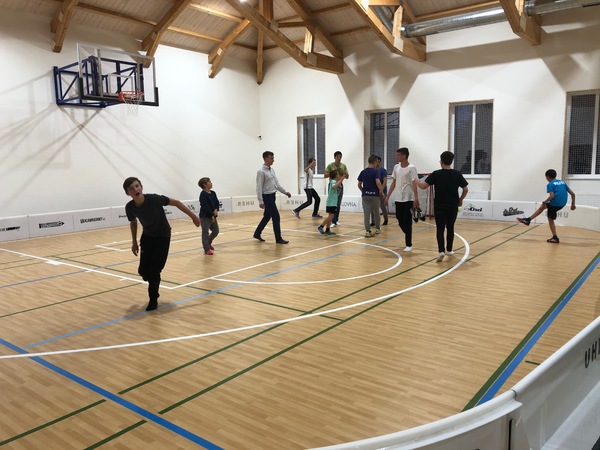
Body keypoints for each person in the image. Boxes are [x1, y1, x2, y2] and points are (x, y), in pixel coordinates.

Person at [123, 177, 200, 311]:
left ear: (141, 187)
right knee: (143, 272)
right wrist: (134, 242)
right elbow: (133, 222)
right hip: (147, 237)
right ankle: (151, 279)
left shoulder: (154, 199)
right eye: (131, 188)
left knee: (154, 271)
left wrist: (193, 216)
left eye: (137, 186)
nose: (135, 189)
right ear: (127, 193)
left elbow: (176, 202)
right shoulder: (129, 207)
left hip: (162, 236)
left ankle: (153, 300)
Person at [416, 151, 468, 262]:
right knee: (450, 227)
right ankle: (449, 250)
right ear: (451, 161)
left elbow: (423, 186)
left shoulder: (436, 174)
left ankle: (441, 251)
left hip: (439, 206)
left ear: (441, 161)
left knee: (440, 228)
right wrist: (460, 200)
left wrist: (416, 181)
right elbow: (466, 189)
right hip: (453, 206)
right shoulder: (457, 174)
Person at [516, 169, 576, 243]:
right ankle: (528, 220)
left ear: (547, 176)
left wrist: (544, 201)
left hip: (555, 204)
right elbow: (573, 194)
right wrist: (573, 204)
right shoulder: (562, 182)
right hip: (562, 204)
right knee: (543, 207)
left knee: (550, 219)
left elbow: (552, 196)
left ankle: (555, 237)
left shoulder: (550, 184)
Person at [385, 147, 420, 252]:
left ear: (404, 156)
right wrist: (388, 196)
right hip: (398, 198)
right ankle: (408, 233)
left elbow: (414, 183)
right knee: (399, 219)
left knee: (407, 220)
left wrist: (416, 198)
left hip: (408, 198)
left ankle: (408, 244)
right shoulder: (396, 167)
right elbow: (394, 182)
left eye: (398, 155)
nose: (397, 156)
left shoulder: (411, 168)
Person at [254, 151, 291, 244]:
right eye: (271, 158)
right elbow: (258, 187)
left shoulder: (272, 170)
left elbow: (276, 184)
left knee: (267, 216)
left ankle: (257, 233)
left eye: (273, 158)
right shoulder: (261, 172)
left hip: (272, 196)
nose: (273, 160)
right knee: (276, 217)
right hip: (266, 197)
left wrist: (285, 192)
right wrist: (260, 201)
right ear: (265, 158)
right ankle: (278, 238)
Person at [358, 155, 384, 237]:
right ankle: (377, 229)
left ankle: (368, 231)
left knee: (366, 214)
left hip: (365, 196)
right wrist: (381, 191)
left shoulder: (363, 172)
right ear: (375, 162)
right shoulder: (376, 171)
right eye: (377, 162)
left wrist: (363, 191)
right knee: (376, 212)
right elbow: (378, 182)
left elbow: (359, 184)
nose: (377, 164)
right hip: (375, 195)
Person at [324, 151, 349, 227]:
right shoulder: (330, 165)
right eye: (337, 156)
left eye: (340, 157)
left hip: (340, 185)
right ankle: (332, 220)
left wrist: (343, 172)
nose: (339, 158)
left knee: (338, 204)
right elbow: (325, 175)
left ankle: (336, 220)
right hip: (333, 185)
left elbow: (347, 176)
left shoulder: (343, 166)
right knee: (333, 202)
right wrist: (332, 172)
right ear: (334, 157)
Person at [198, 177, 220, 255]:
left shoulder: (213, 193)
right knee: (205, 233)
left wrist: (216, 209)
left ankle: (209, 243)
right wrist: (211, 215)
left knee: (216, 231)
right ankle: (206, 249)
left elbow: (217, 202)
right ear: (204, 184)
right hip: (205, 216)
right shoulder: (203, 195)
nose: (211, 183)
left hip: (213, 215)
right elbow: (205, 206)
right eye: (209, 182)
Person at [318, 169, 343, 236]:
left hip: (332, 202)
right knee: (331, 216)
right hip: (331, 202)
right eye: (338, 174)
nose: (339, 175)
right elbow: (334, 186)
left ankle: (327, 229)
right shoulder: (333, 181)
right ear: (335, 175)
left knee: (330, 216)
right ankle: (321, 226)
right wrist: (341, 179)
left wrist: (340, 181)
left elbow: (339, 187)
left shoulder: (335, 181)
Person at [375, 156, 389, 226]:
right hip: (375, 191)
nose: (376, 163)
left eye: (377, 161)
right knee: (374, 207)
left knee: (382, 206)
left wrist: (381, 190)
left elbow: (385, 181)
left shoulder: (383, 170)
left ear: (379, 162)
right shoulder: (373, 170)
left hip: (382, 191)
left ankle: (386, 219)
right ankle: (373, 221)